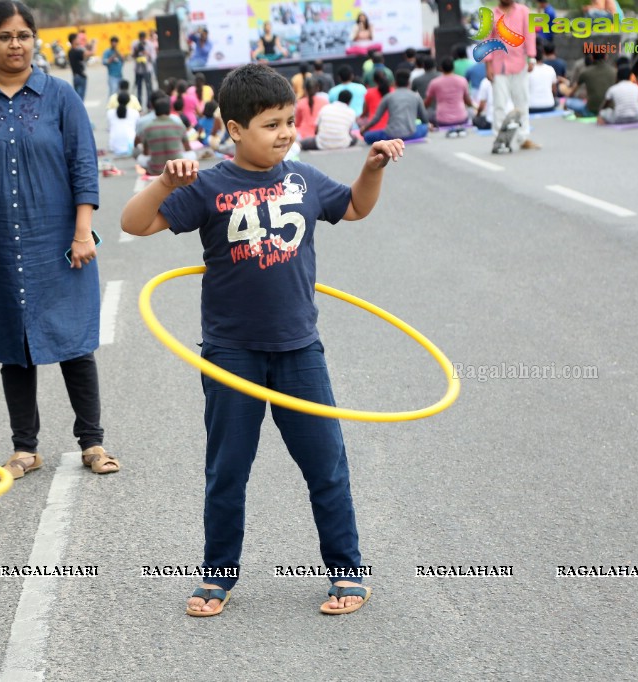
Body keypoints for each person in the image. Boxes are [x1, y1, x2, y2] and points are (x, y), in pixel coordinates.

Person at [121, 63, 404, 617]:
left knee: (327, 466)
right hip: (231, 355)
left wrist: (371, 169)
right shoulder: (207, 186)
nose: (284, 133)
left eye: (288, 121)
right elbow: (134, 224)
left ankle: (348, 573)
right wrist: (164, 183)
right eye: (270, 123)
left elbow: (355, 206)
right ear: (234, 128)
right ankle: (216, 577)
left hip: (299, 350)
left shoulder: (303, 179)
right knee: (227, 471)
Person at [0, 1, 119, 479]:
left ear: (35, 40)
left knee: (73, 340)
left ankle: (93, 442)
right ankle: (25, 447)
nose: (15, 44)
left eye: (23, 35)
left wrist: (83, 231)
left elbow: (84, 165)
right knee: (12, 343)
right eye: (4, 36)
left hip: (58, 243)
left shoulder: (60, 96)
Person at [484, 0, 538, 149]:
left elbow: (530, 34)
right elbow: (487, 40)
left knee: (522, 102)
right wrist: (488, 65)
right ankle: (499, 139)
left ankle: (523, 137)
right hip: (498, 66)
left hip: (520, 64)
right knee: (499, 104)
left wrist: (532, 57)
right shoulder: (490, 15)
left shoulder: (524, 11)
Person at [360, 69, 429, 144]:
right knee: (424, 128)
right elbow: (424, 118)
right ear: (409, 83)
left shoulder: (388, 97)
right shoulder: (416, 96)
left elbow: (376, 118)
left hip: (391, 135)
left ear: (395, 83)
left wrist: (365, 128)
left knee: (367, 136)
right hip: (411, 134)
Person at [139, 98, 189, 174]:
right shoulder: (179, 125)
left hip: (156, 169)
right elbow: (188, 148)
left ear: (155, 111)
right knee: (192, 155)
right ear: (169, 111)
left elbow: (146, 152)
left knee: (140, 158)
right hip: (177, 168)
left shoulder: (148, 128)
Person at [424, 57, 473, 129]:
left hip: (442, 119)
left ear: (441, 68)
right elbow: (468, 102)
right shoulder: (462, 80)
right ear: (453, 68)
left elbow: (427, 103)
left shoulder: (434, 83)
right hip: (461, 117)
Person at [566, 51, 615, 118]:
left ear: (591, 57)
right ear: (606, 56)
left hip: (590, 111)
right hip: (609, 110)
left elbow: (572, 92)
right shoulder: (614, 71)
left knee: (569, 102)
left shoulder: (585, 72)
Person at [295, 76, 328, 141]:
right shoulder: (324, 102)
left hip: (303, 136)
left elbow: (297, 123)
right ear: (317, 88)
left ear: (304, 89)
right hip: (320, 135)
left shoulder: (300, 103)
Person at [107, 92, 139, 156]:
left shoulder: (109, 113)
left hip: (113, 146)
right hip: (131, 145)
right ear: (129, 101)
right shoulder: (135, 112)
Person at [360, 68, 390, 133]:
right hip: (393, 130)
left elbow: (365, 112)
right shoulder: (393, 91)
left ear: (374, 80)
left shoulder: (369, 93)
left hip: (374, 131)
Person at [68, 30, 93, 100]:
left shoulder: (70, 51)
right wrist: (95, 44)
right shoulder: (76, 51)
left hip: (75, 77)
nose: (79, 40)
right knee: (80, 100)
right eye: (77, 38)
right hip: (80, 77)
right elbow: (91, 53)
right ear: (73, 41)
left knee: (77, 99)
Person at [130, 30, 154, 104]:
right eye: (140, 38)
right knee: (138, 88)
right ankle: (139, 104)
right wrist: (136, 51)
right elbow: (132, 56)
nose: (142, 40)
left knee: (149, 87)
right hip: (138, 69)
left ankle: (149, 104)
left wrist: (146, 53)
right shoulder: (135, 44)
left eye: (143, 38)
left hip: (147, 68)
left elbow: (153, 57)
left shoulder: (149, 44)